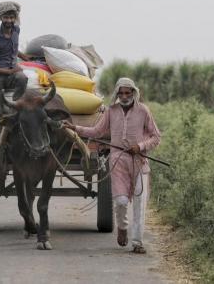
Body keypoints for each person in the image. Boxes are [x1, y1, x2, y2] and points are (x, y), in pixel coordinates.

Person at [63, 77, 161, 253]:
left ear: (134, 93)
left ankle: (137, 243)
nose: (124, 96)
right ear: (117, 94)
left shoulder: (143, 111)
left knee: (139, 203)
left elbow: (156, 137)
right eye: (121, 93)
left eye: (128, 93)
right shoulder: (111, 111)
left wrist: (140, 146)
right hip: (117, 160)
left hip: (139, 161)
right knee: (121, 201)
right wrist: (74, 128)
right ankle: (122, 227)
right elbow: (97, 131)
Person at [0, 1, 31, 149]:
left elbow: (13, 49)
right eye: (6, 17)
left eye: (12, 17)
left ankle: (15, 113)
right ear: (0, 18)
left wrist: (24, 57)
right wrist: (8, 71)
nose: (9, 21)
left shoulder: (16, 31)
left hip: (11, 72)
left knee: (23, 78)